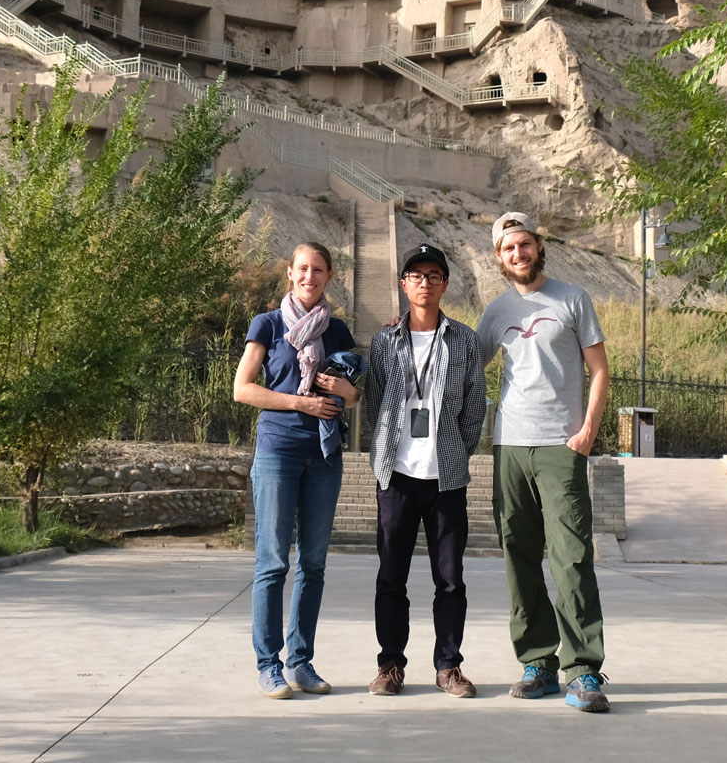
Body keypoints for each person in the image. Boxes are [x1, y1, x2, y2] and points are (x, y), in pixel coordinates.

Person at [477, 211, 611, 713]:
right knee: (518, 553)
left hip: (561, 445)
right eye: (509, 248)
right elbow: (467, 368)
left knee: (572, 557)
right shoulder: (495, 312)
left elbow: (599, 370)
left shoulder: (573, 298)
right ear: (499, 256)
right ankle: (538, 662)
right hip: (510, 444)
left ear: (538, 246)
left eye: (525, 244)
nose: (519, 254)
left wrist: (587, 432)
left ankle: (584, 671)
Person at [234, 241, 361, 699]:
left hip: (324, 455)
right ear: (290, 273)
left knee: (313, 563)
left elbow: (353, 398)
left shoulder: (338, 330)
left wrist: (344, 389)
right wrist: (298, 401)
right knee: (272, 561)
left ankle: (301, 662)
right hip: (278, 450)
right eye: (302, 268)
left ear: (329, 276)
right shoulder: (267, 324)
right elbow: (243, 389)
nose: (310, 276)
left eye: (319, 269)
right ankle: (268, 664)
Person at [363, 243, 486, 699]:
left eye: (434, 275)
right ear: (403, 283)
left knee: (450, 579)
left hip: (446, 478)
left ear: (445, 284)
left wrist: (454, 450)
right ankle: (390, 664)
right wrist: (388, 449)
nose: (425, 283)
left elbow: (475, 405)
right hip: (395, 476)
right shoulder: (384, 340)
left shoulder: (465, 340)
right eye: (416, 275)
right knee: (391, 577)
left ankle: (448, 667)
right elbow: (377, 401)